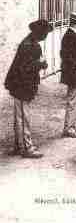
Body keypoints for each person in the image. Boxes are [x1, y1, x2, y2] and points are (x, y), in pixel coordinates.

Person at [4, 20, 53, 158]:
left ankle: (19, 145)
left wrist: (41, 64)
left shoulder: (30, 43)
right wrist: (40, 64)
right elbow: (25, 68)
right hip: (22, 85)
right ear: (40, 33)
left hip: (20, 85)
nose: (46, 36)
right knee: (23, 117)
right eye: (45, 33)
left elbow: (33, 65)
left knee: (20, 117)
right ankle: (27, 148)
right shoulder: (29, 46)